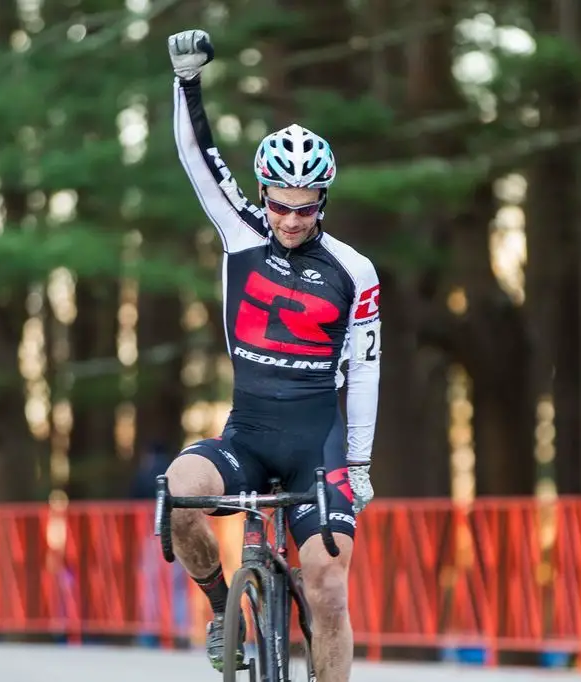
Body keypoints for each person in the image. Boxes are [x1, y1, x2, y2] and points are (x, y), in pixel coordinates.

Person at [164, 28, 381, 682]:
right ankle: (221, 608)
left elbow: (367, 368)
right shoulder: (239, 232)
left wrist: (361, 462)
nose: (290, 220)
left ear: (323, 201)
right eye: (281, 206)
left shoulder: (354, 269)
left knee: (327, 587)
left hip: (320, 444)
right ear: (265, 195)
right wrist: (187, 83)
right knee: (176, 496)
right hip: (249, 435)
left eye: (305, 208)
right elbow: (197, 156)